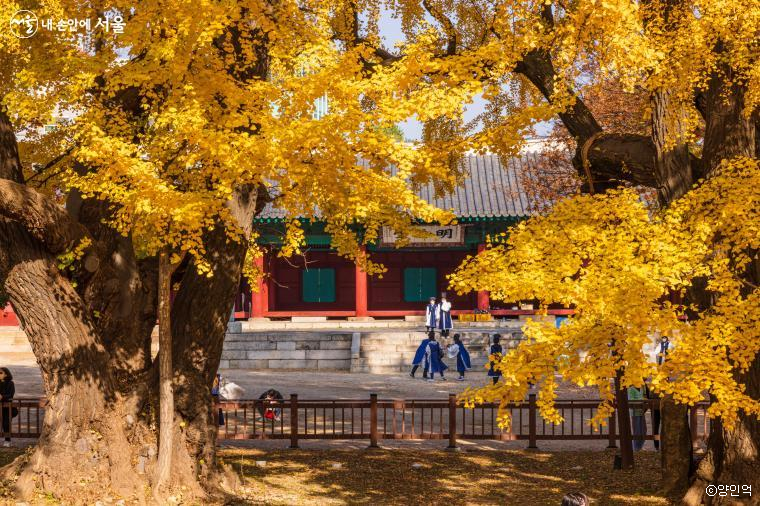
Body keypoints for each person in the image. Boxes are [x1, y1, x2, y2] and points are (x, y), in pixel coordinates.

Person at [0, 367, 16, 447]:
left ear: (6, 374)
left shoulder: (10, 383)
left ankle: (7, 440)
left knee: (6, 423)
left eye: (1, 373)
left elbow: (10, 395)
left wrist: (2, 397)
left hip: (7, 408)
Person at [628, 385, 646, 451]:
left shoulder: (641, 387)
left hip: (642, 412)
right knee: (637, 431)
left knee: (644, 430)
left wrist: (644, 402)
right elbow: (630, 401)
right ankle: (636, 448)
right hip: (635, 412)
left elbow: (643, 397)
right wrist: (641, 403)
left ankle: (640, 446)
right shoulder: (631, 389)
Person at [644, 382, 661, 450]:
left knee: (656, 428)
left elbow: (648, 397)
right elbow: (649, 397)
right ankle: (657, 446)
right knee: (656, 428)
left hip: (657, 409)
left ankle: (657, 446)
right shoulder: (653, 387)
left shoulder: (652, 387)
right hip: (656, 409)